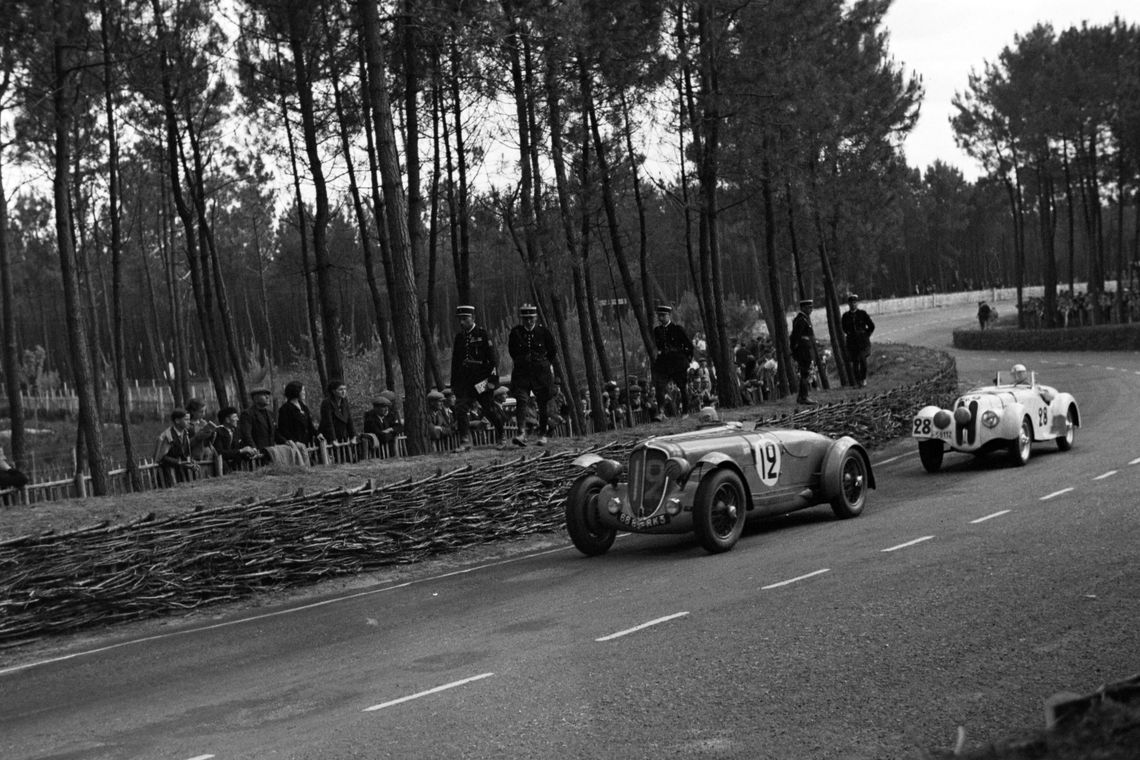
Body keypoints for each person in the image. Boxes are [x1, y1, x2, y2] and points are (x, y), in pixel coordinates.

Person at [449, 304, 505, 450]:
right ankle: (465, 441)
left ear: (473, 318)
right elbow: (455, 362)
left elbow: (493, 360)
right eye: (460, 319)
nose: (462, 322)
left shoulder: (483, 334)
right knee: (461, 408)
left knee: (488, 409)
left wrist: (492, 380)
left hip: (483, 381)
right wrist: (454, 383)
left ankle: (501, 436)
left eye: (465, 319)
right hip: (466, 382)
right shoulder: (459, 337)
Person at [507, 303, 557, 446]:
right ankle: (521, 433)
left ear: (536, 318)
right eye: (525, 318)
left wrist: (543, 364)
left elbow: (552, 351)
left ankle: (542, 434)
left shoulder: (544, 332)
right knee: (521, 400)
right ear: (522, 319)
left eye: (531, 318)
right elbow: (512, 352)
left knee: (542, 403)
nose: (528, 321)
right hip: (522, 373)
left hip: (541, 374)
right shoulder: (516, 332)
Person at [650, 304, 694, 420]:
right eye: (659, 316)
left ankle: (685, 412)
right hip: (664, 364)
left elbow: (689, 345)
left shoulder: (677, 329)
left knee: (682, 387)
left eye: (663, 315)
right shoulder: (657, 330)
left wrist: (686, 360)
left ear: (669, 315)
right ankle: (661, 412)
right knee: (660, 387)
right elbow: (658, 346)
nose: (661, 318)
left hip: (678, 363)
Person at [154, 408, 199, 484]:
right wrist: (179, 462)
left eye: (189, 419)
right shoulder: (168, 436)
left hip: (181, 472)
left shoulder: (185, 433)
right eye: (186, 419)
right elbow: (161, 457)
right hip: (168, 472)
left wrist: (191, 462)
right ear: (177, 421)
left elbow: (185, 453)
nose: (189, 422)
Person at [841, 294, 875, 387]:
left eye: (855, 303)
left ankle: (863, 378)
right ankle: (858, 381)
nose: (853, 305)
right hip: (852, 343)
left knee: (863, 360)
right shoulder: (845, 316)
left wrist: (866, 335)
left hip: (862, 342)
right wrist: (849, 334)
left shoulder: (862, 314)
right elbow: (844, 328)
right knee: (855, 363)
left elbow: (871, 326)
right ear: (848, 304)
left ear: (857, 303)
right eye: (851, 303)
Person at [239, 387, 281, 460]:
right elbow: (246, 434)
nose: (267, 397)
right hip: (257, 453)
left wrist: (286, 441)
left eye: (268, 395)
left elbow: (275, 432)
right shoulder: (247, 414)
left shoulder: (270, 414)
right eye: (264, 395)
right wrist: (253, 448)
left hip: (271, 452)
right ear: (255, 398)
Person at [789, 298, 817, 404]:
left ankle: (802, 396)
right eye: (809, 307)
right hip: (803, 351)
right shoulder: (800, 319)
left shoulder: (804, 319)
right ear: (803, 308)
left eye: (811, 307)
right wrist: (795, 350)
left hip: (806, 349)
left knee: (806, 373)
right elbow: (795, 336)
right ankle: (804, 397)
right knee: (805, 373)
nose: (811, 309)